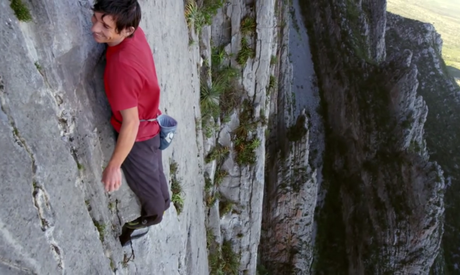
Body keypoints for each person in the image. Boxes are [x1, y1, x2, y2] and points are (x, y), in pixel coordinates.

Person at [90, 0, 170, 246]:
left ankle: (144, 220)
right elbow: (131, 121)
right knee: (157, 210)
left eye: (105, 26)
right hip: (147, 131)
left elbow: (131, 123)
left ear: (127, 31)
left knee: (163, 202)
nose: (95, 29)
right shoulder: (135, 34)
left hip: (143, 136)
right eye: (95, 19)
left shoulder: (120, 68)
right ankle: (131, 227)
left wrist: (114, 165)